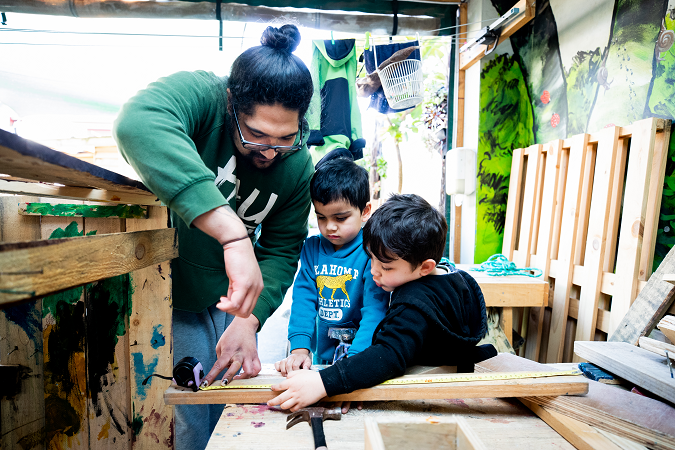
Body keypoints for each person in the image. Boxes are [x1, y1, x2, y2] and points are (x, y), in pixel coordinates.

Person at [113, 25, 314, 450]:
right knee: (186, 413)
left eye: (285, 138)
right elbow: (136, 123)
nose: (269, 151)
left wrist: (249, 319)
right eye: (255, 134)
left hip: (234, 299)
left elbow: (281, 248)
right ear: (231, 104)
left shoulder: (298, 167)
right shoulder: (204, 95)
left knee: (232, 406)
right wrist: (234, 236)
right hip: (173, 288)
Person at [267, 194, 498, 412]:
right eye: (372, 260)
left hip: (430, 395)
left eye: (386, 267)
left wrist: (324, 383)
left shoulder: (412, 307)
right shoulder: (455, 277)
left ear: (424, 267)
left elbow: (388, 355)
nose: (374, 272)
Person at [275, 157, 388, 376]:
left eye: (341, 217)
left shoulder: (371, 251)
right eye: (321, 217)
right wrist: (300, 349)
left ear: (365, 211)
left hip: (361, 357)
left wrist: (355, 362)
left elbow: (374, 310)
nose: (330, 227)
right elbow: (304, 300)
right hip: (323, 358)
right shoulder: (312, 248)